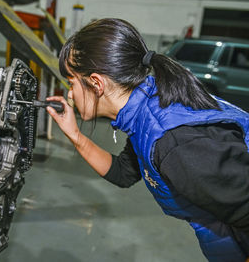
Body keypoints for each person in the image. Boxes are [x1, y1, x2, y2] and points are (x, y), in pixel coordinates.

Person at [46, 18, 249, 262]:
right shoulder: (145, 110)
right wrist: (74, 134)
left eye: (71, 82)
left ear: (97, 83)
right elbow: (123, 173)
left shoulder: (174, 142)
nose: (69, 93)